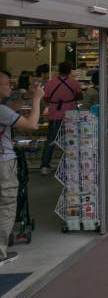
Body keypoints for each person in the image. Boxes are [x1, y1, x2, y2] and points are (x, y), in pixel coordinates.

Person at [0, 75, 43, 266]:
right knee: (6, 206)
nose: (11, 86)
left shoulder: (3, 109)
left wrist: (26, 97)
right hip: (3, 163)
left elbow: (10, 110)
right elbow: (32, 124)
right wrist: (36, 99)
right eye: (7, 84)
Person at [41, 61, 83, 176]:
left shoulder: (51, 83)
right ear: (70, 71)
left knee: (51, 140)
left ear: (59, 70)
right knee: (72, 140)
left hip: (55, 114)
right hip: (71, 114)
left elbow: (46, 98)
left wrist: (57, 100)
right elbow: (80, 96)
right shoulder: (74, 83)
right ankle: (72, 165)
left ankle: (45, 166)